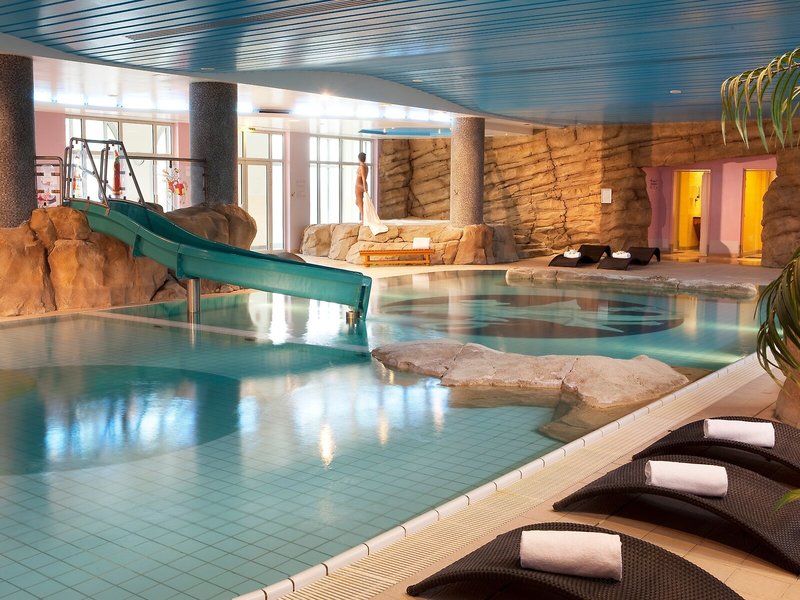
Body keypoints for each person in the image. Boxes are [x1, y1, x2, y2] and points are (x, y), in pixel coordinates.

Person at [355, 151, 368, 221]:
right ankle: (364, 218)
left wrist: (365, 188)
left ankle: (364, 220)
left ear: (359, 158)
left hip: (359, 186)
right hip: (361, 185)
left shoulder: (362, 166)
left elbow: (363, 177)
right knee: (357, 202)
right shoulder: (365, 166)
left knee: (360, 203)